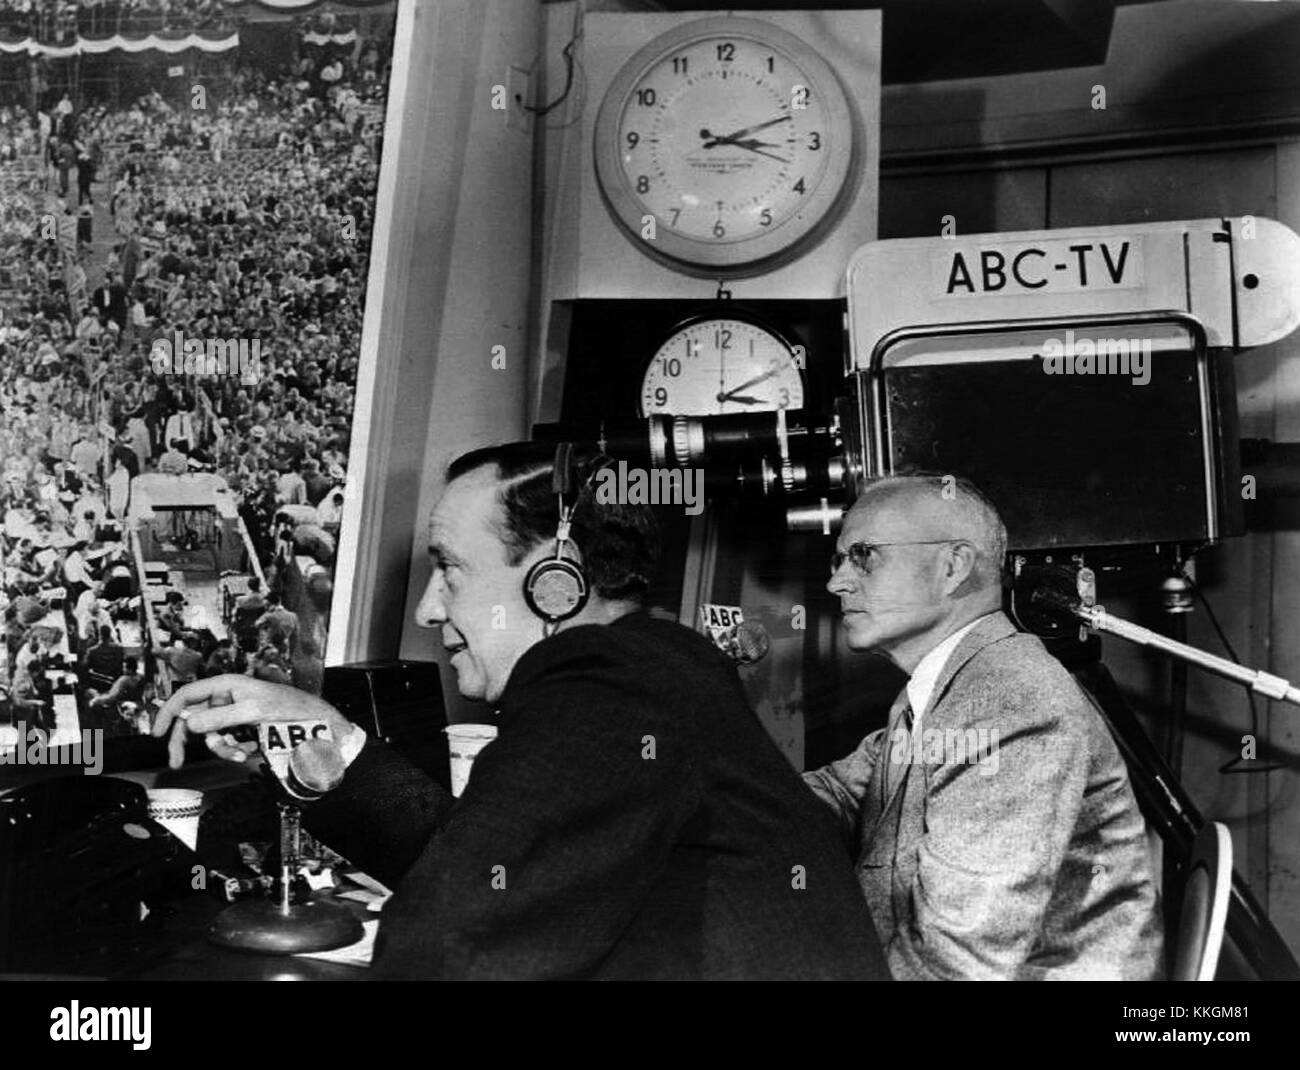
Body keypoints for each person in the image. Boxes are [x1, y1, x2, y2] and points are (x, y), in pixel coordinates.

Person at [154, 442, 888, 980]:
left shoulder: (607, 676)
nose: (428, 607)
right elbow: (500, 875)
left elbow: (450, 941)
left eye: (449, 568)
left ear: (557, 584)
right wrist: (329, 736)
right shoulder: (654, 667)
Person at [802, 475, 1164, 980]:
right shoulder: (949, 683)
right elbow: (843, 794)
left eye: (863, 555)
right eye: (839, 561)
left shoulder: (1009, 703)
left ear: (952, 568)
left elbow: (957, 962)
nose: (836, 582)